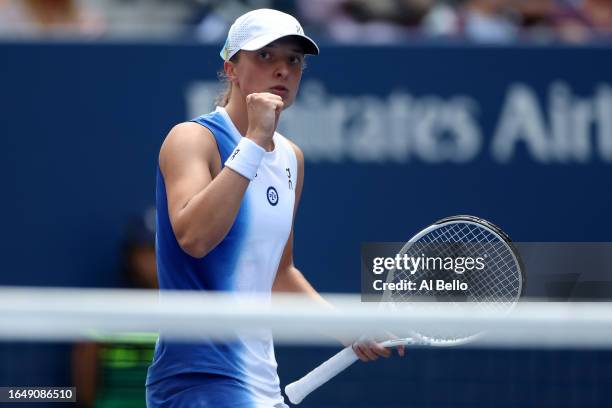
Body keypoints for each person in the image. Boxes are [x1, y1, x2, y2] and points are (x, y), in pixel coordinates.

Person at [145, 8, 403, 408]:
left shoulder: (291, 159)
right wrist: (252, 142)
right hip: (199, 382)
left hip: (261, 382)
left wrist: (349, 329)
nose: (283, 69)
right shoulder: (192, 139)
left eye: (294, 60)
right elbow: (194, 239)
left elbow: (280, 274)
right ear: (231, 68)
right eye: (266, 56)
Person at [73, 212, 158, 408]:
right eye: (145, 251)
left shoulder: (193, 310)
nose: (152, 260)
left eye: (157, 250)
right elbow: (85, 386)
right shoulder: (105, 310)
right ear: (130, 256)